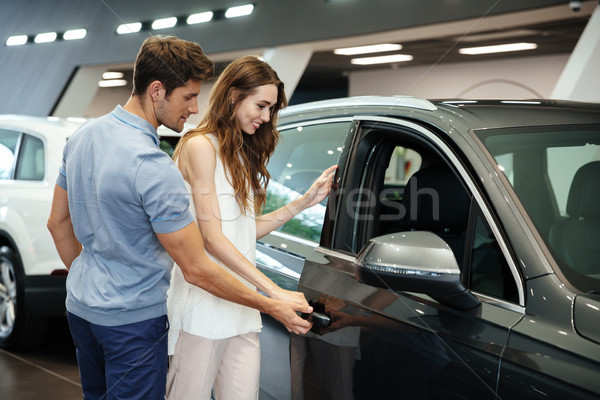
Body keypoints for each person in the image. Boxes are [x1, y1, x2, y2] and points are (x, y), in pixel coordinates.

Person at [46, 36, 313, 400]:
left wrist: (91, 280)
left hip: (81, 310)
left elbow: (57, 223)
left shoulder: (82, 137)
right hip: (134, 322)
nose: (193, 107)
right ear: (157, 90)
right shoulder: (153, 166)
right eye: (187, 96)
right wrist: (273, 303)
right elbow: (197, 268)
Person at [166, 55, 337, 400]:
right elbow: (212, 240)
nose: (266, 117)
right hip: (202, 307)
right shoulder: (199, 145)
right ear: (232, 95)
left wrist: (304, 202)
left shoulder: (239, 153)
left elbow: (241, 232)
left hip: (241, 308)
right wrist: (274, 293)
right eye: (261, 105)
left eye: (271, 109)